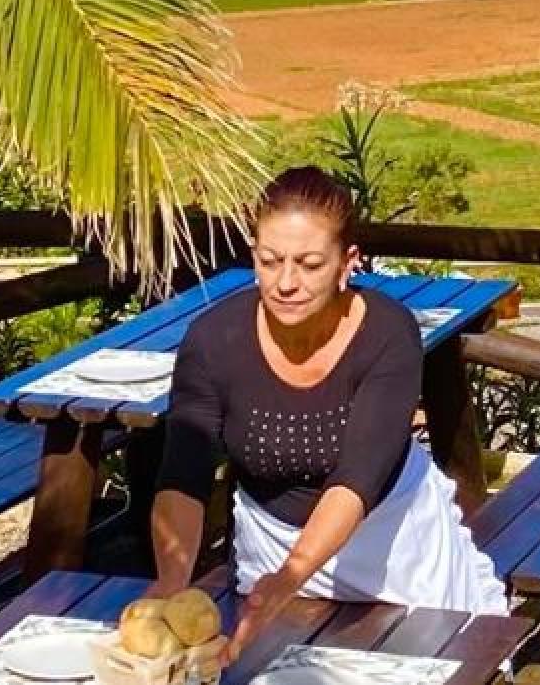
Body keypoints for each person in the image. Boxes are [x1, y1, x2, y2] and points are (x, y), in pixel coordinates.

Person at [148, 166, 507, 664]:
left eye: (309, 264)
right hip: (272, 547)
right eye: (270, 262)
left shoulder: (387, 334)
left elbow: (357, 478)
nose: (286, 282)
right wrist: (172, 579)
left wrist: (292, 575)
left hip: (393, 540)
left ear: (347, 263)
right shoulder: (213, 341)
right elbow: (183, 474)